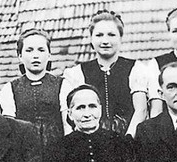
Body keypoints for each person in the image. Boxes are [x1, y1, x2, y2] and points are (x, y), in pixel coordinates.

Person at [60, 10, 148, 138]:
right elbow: (68, 117)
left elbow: (141, 110)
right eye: (99, 35)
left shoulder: (136, 69)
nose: (105, 41)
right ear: (91, 39)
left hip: (129, 141)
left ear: (120, 38)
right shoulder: (76, 74)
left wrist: (128, 141)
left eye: (111, 35)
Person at [0, 28, 64, 156]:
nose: (35, 55)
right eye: (29, 50)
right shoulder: (10, 88)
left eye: (41, 50)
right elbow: (9, 128)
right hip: (23, 153)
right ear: (20, 56)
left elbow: (68, 126)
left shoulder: (63, 85)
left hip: (57, 152)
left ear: (49, 55)